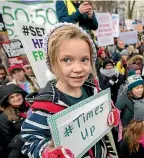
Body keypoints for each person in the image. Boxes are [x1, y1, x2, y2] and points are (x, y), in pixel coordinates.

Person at [20, 23, 116, 158]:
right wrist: (47, 152)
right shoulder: (45, 108)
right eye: (67, 60)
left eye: (84, 59)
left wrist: (110, 113)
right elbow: (29, 140)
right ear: (52, 63)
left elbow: (100, 120)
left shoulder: (93, 91)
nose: (78, 68)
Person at [0, 84, 29, 158]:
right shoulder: (4, 117)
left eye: (18, 95)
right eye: (12, 97)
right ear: (7, 101)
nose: (16, 98)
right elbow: (8, 140)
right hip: (23, 149)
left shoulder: (31, 106)